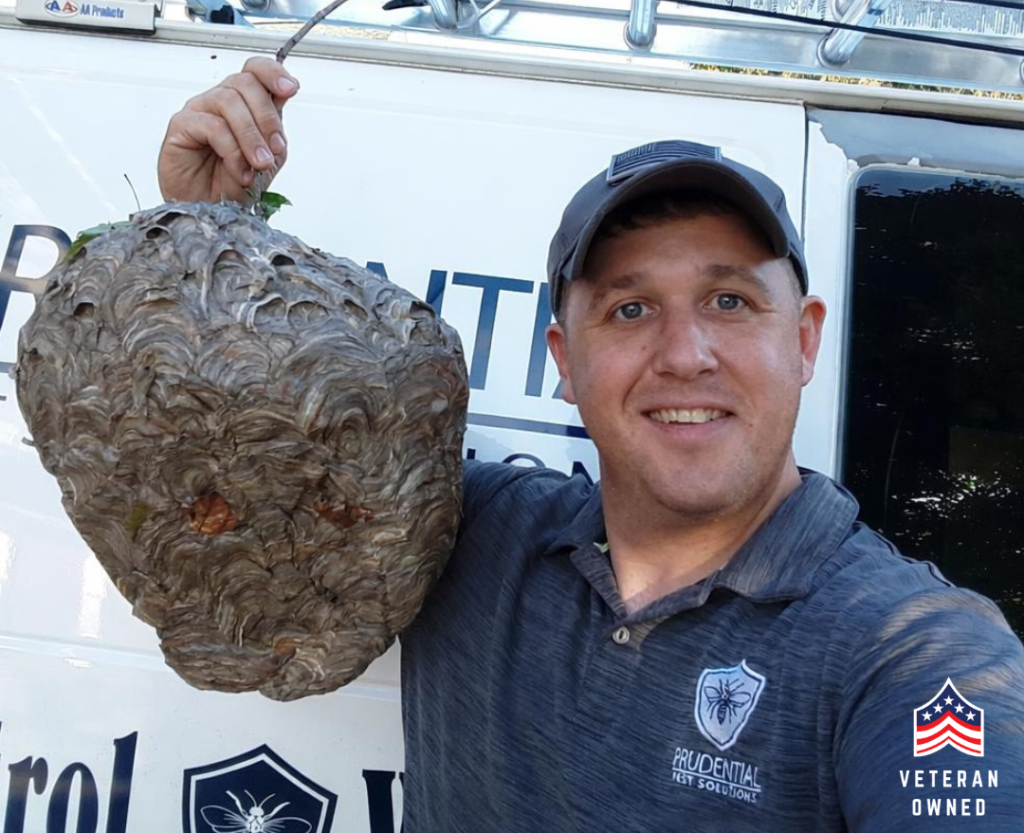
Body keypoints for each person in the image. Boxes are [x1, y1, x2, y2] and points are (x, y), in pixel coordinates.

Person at [159, 57, 1024, 832]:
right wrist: (201, 240)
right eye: (630, 309)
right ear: (566, 363)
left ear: (802, 341)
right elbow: (237, 489)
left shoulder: (914, 649)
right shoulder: (465, 532)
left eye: (729, 302)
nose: (686, 355)